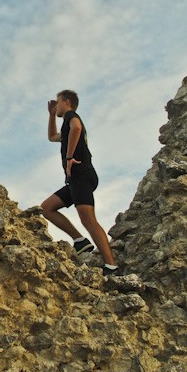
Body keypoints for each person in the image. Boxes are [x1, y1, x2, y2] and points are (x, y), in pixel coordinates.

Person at [41, 90, 118, 271]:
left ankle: (111, 265)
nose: (56, 105)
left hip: (81, 175)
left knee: (88, 220)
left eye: (58, 102)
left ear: (67, 102)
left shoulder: (71, 116)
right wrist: (52, 115)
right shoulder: (65, 125)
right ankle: (80, 241)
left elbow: (77, 128)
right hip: (76, 179)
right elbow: (52, 137)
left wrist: (69, 159)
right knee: (46, 208)